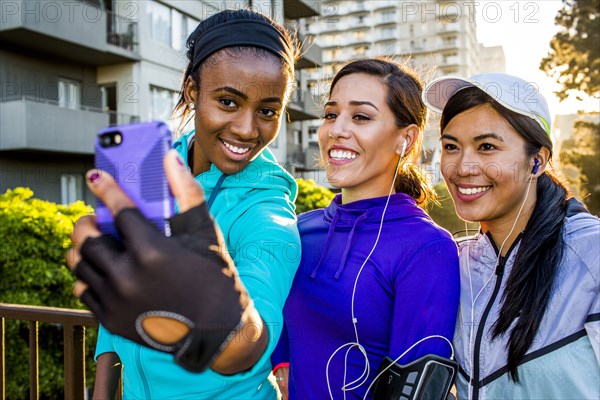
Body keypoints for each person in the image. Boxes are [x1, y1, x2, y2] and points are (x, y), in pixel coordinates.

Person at [69, 9, 302, 399]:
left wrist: (221, 317)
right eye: (228, 102)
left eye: (267, 111)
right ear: (193, 91)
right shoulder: (156, 170)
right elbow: (119, 308)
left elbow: (246, 344)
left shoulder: (266, 209)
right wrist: (102, 391)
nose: (247, 129)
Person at [270, 59, 461, 399]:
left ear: (407, 139)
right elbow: (278, 319)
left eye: (360, 117)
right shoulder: (299, 229)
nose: (336, 130)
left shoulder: (427, 247)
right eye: (331, 114)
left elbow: (416, 389)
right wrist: (282, 362)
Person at [422, 73, 600, 399]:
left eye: (487, 147)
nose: (463, 167)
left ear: (537, 161)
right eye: (451, 147)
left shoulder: (591, 252)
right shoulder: (455, 262)